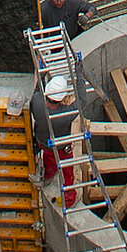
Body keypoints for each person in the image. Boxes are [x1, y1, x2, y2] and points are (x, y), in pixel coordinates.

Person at [30, 75, 80, 206]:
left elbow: (36, 89)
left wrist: (40, 74)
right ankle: (69, 199)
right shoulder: (65, 115)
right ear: (63, 98)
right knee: (67, 173)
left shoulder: (36, 101)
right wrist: (79, 74)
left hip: (43, 143)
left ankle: (47, 177)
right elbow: (82, 101)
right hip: (61, 148)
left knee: (49, 163)